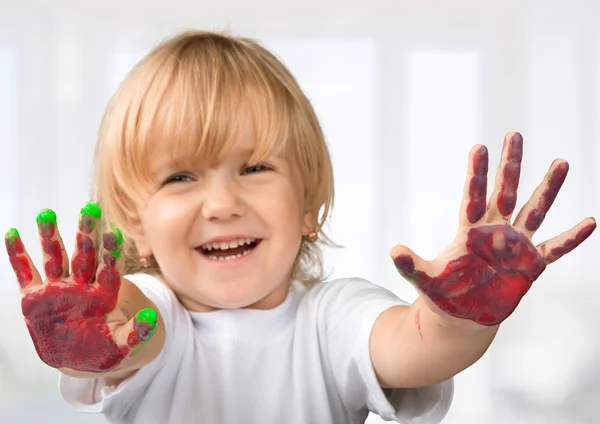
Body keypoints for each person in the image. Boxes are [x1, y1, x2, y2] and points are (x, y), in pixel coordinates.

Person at [4, 29, 596, 424]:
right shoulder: (153, 314)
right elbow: (133, 329)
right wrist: (89, 333)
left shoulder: (330, 319)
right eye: (181, 178)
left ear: (310, 204)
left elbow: (418, 347)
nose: (222, 202)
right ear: (134, 224)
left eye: (255, 167)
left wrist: (458, 315)